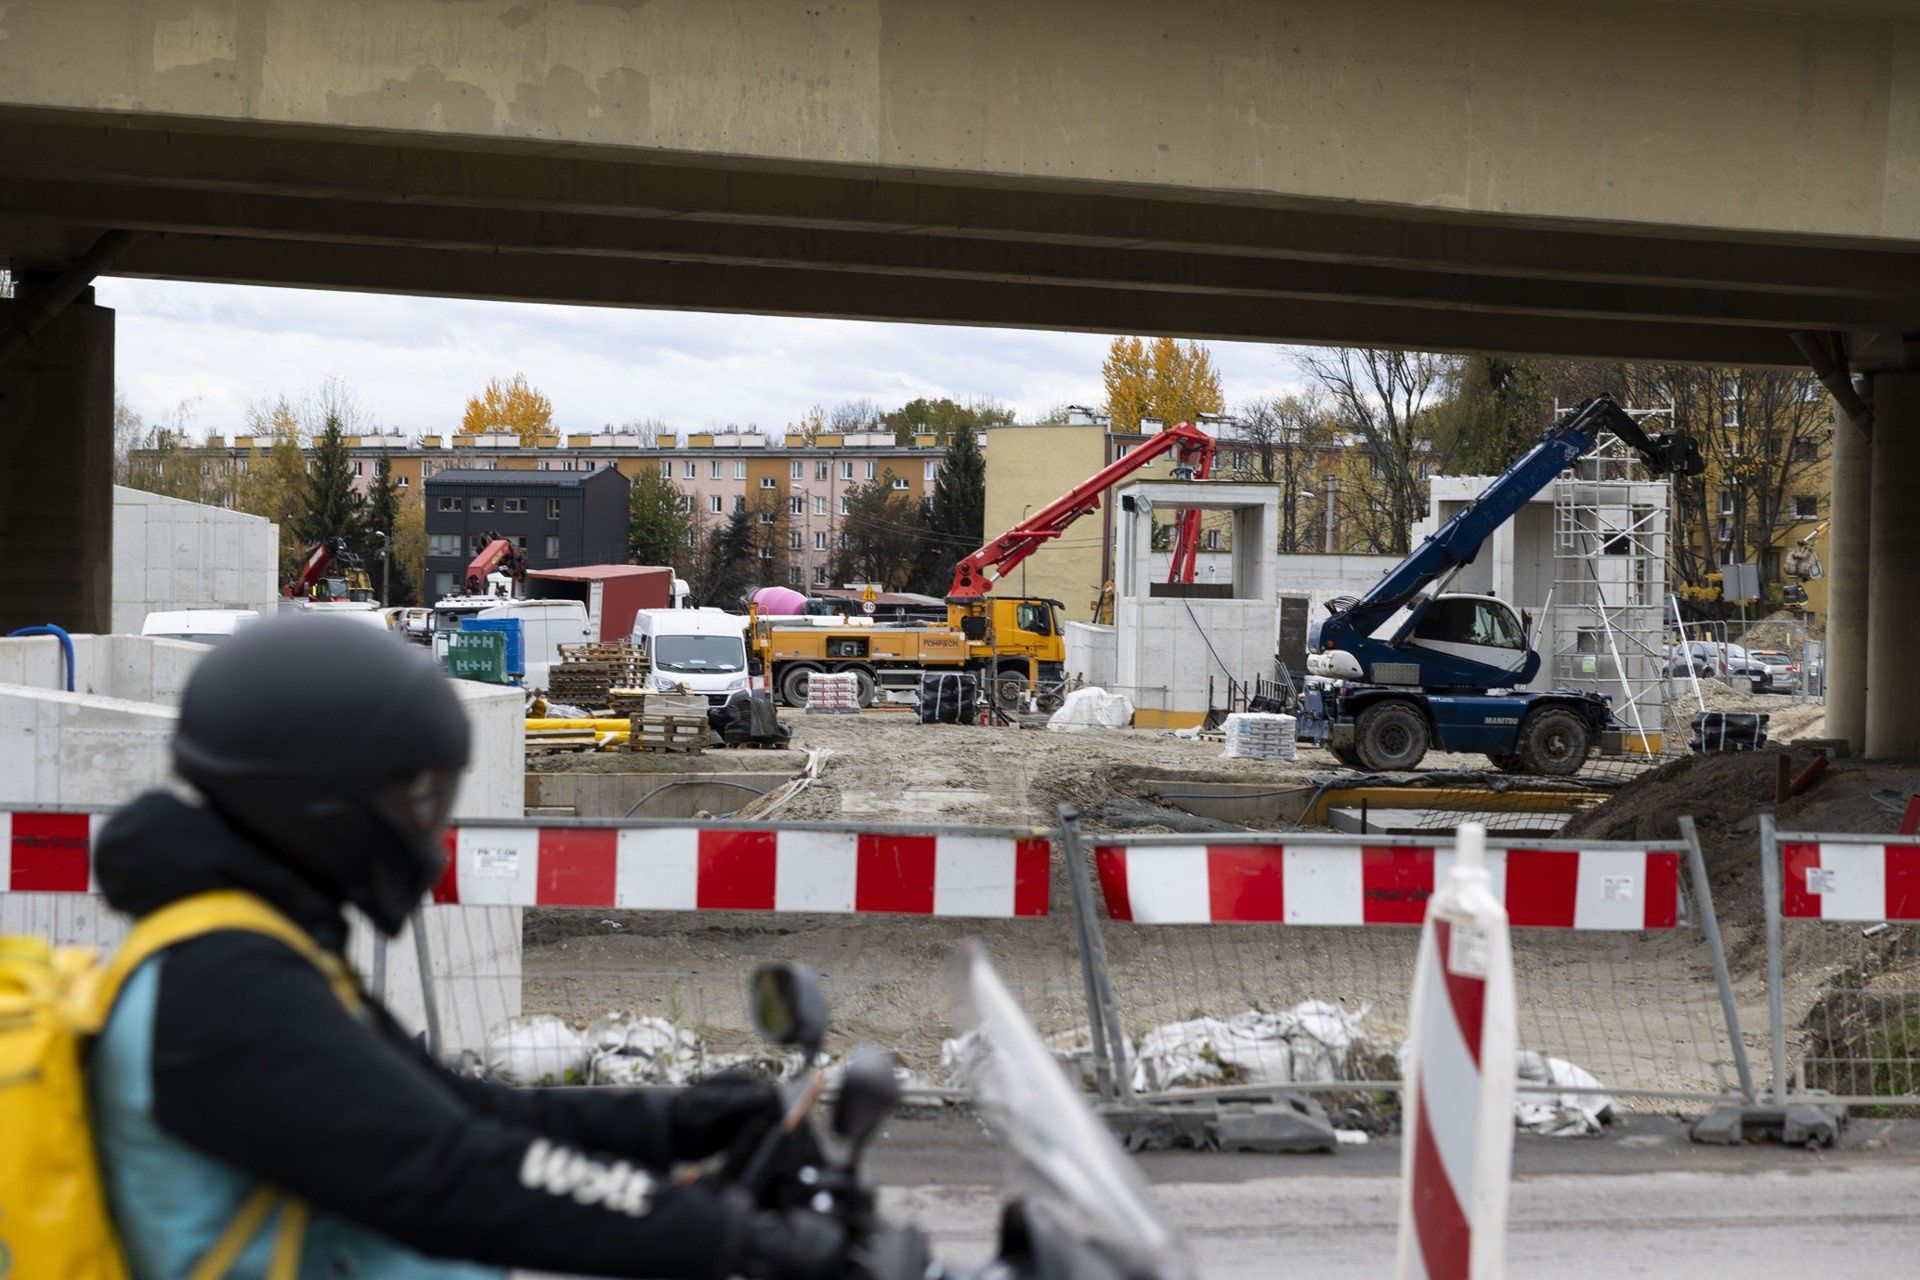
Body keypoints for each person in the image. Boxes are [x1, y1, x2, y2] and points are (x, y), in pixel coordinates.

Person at [89, 617, 840, 1280]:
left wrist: (669, 1124)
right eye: (417, 800)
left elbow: (455, 1110)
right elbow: (446, 1172)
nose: (430, 835)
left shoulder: (251, 945)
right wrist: (730, 1238)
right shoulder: (226, 987)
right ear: (314, 799)